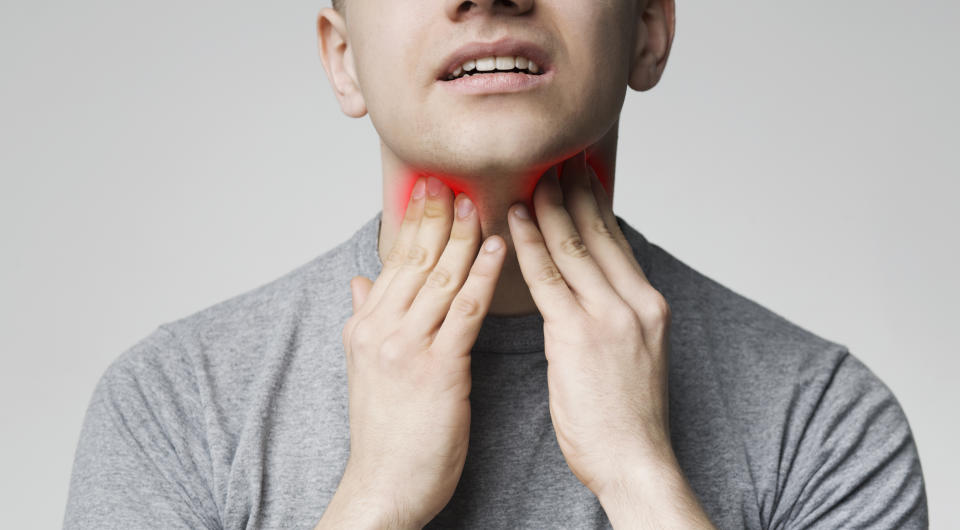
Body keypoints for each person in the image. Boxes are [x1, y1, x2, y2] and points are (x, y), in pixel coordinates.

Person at [64, 0, 928, 528]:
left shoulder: (826, 421)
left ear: (650, 28)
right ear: (342, 57)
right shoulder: (170, 408)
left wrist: (641, 477)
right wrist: (373, 501)